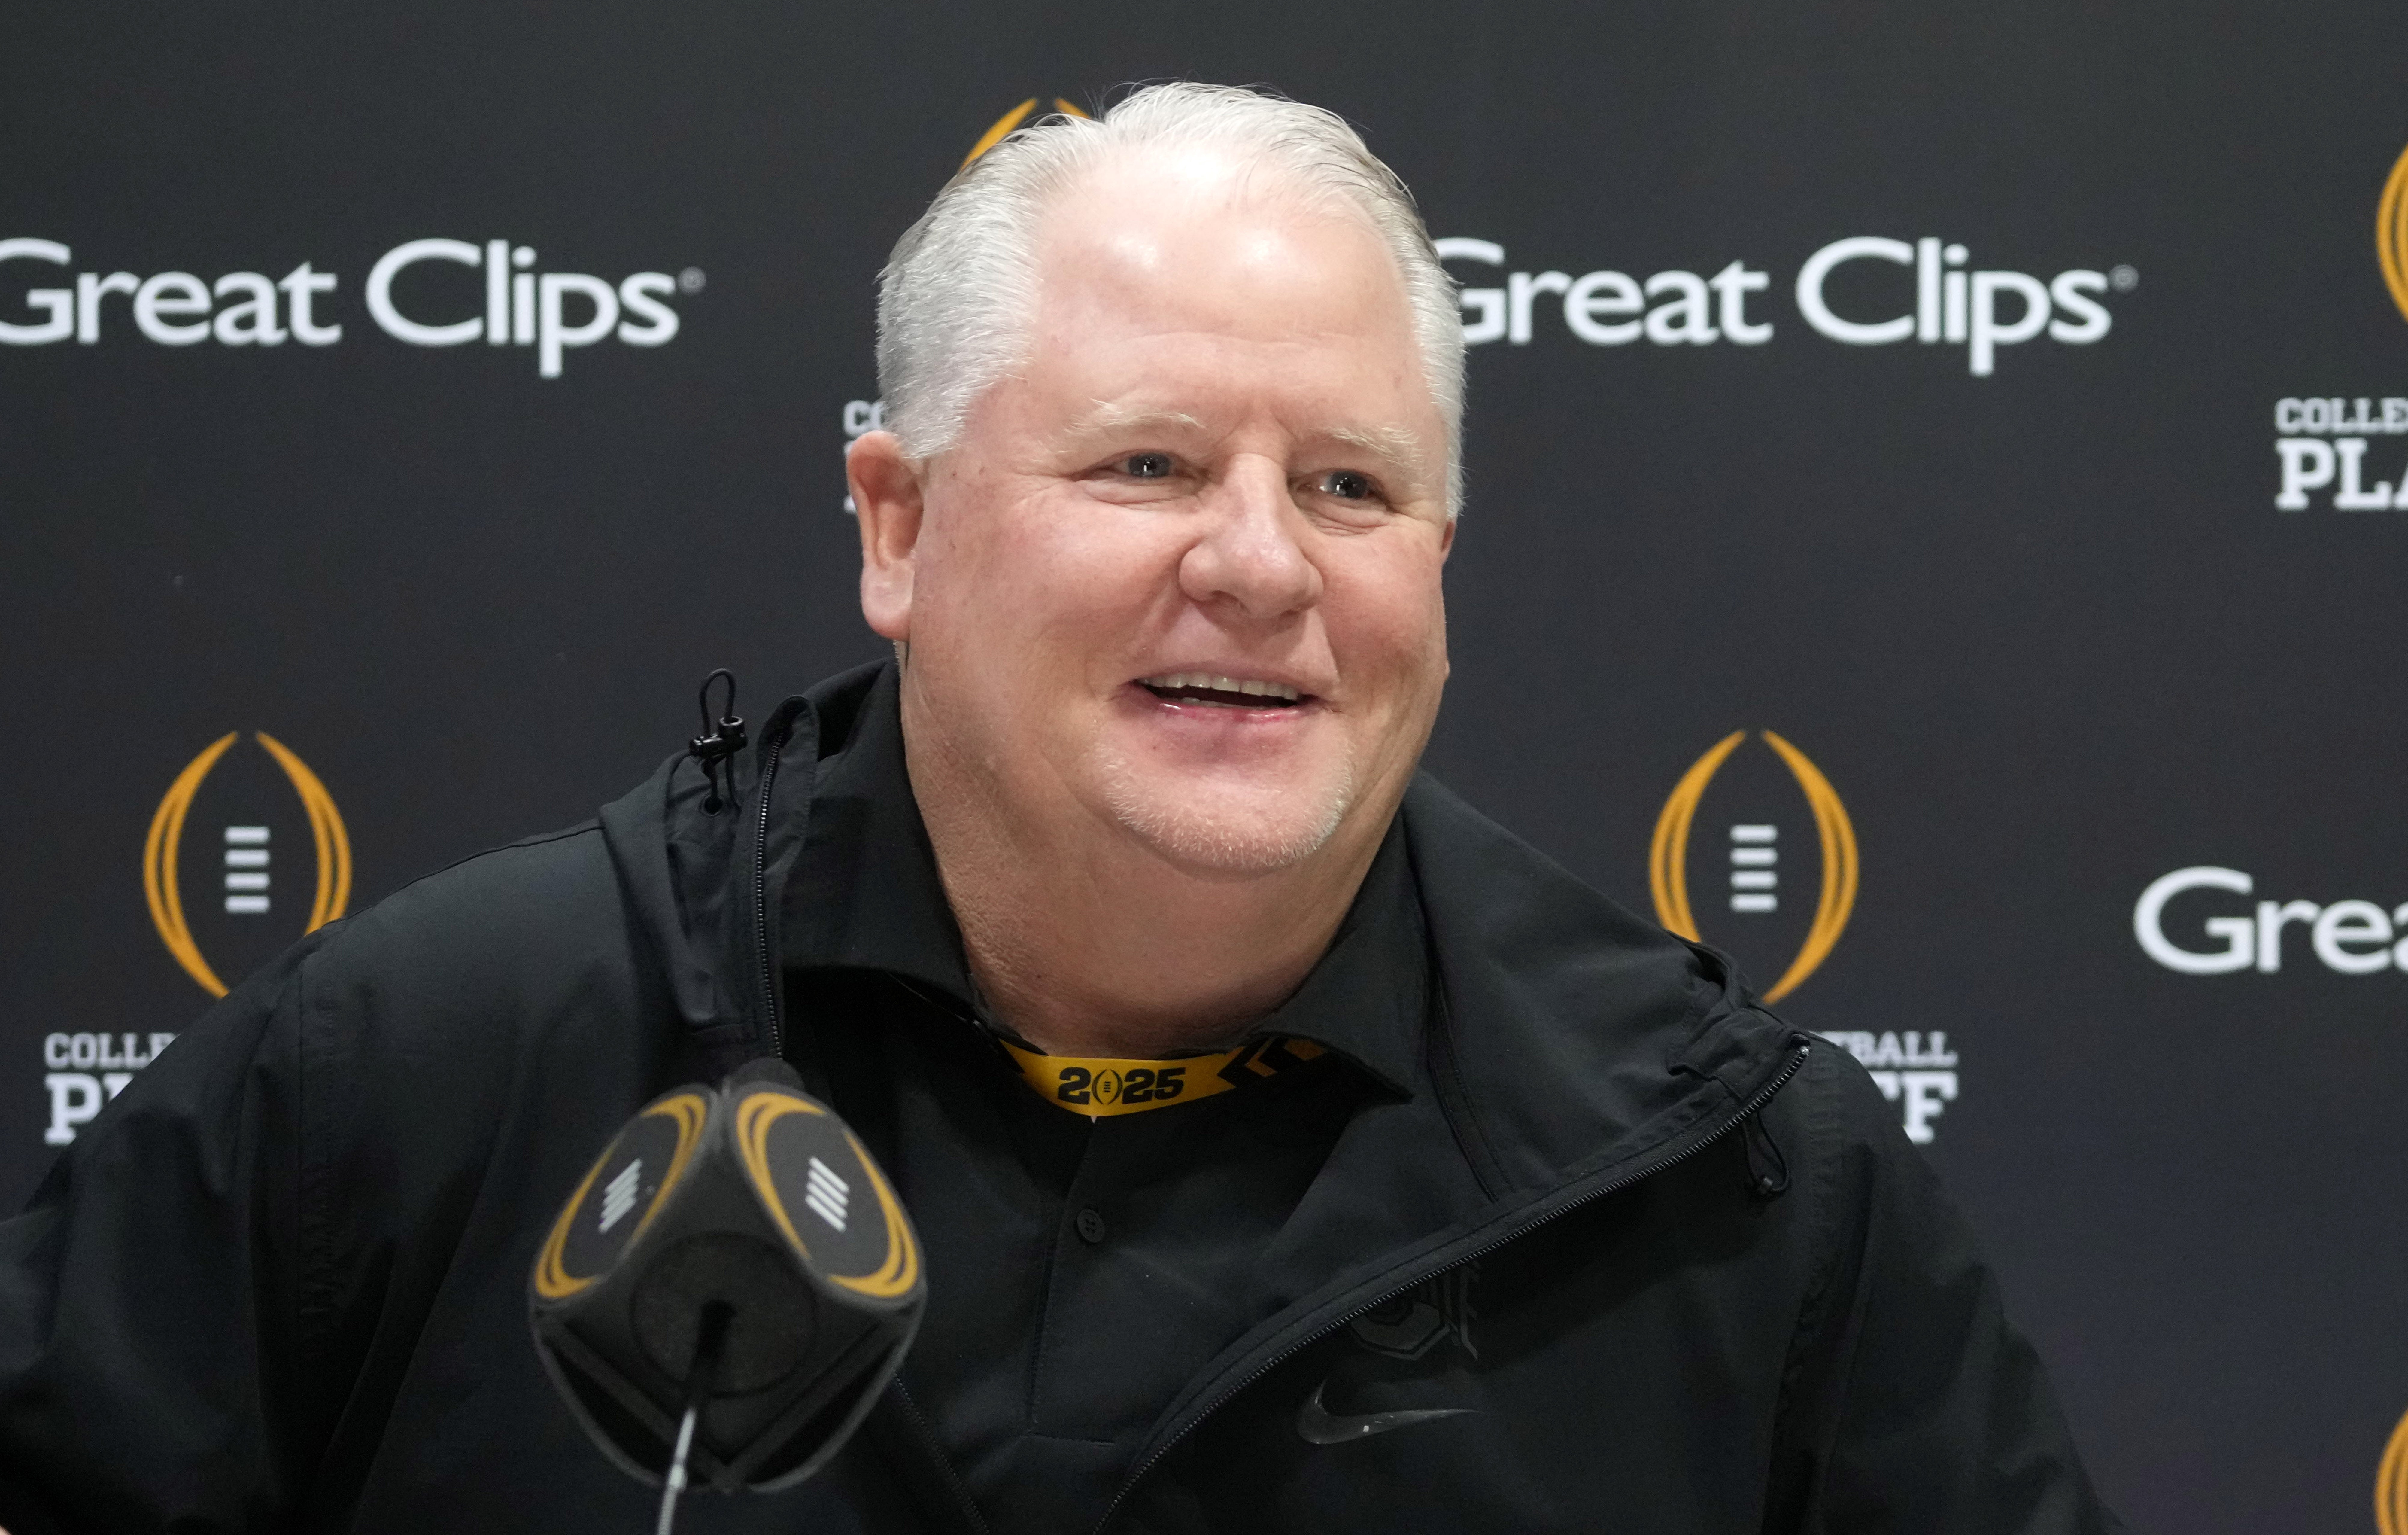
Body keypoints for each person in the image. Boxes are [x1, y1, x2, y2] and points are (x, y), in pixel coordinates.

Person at [0, 83, 2120, 1533]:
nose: (1265, 565)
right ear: (898, 525)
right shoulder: (428, 1064)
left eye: (1351, 486)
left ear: (1437, 567)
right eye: (1148, 463)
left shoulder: (1733, 1185)